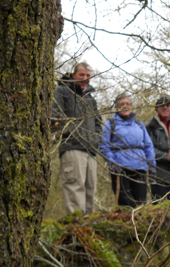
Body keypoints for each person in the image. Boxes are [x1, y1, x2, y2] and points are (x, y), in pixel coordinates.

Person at [51, 62, 102, 215]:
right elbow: (54, 118)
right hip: (72, 148)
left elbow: (98, 123)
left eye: (88, 75)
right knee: (75, 188)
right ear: (74, 75)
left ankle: (88, 229)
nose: (85, 78)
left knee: (90, 190)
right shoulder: (61, 91)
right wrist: (70, 134)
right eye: (82, 75)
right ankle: (76, 228)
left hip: (90, 150)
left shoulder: (90, 98)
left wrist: (96, 140)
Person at [99, 93, 156, 207]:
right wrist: (112, 163)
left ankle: (139, 224)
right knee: (124, 202)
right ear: (117, 107)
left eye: (128, 104)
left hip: (139, 167)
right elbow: (104, 146)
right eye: (122, 104)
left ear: (131, 106)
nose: (125, 106)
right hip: (120, 168)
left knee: (140, 202)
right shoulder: (110, 124)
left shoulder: (139, 124)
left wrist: (152, 166)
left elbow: (148, 146)